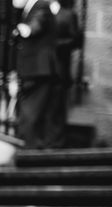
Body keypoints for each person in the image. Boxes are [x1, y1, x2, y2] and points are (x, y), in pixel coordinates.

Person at [12, 0, 60, 148]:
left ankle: (28, 150)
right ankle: (30, 147)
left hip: (38, 69)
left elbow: (37, 24)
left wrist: (25, 29)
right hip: (34, 69)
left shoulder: (41, 4)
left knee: (30, 112)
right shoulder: (32, 6)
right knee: (31, 112)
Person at [47, 0, 83, 147]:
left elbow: (76, 40)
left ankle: (55, 142)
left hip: (59, 67)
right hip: (42, 67)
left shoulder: (69, 14)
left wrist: (56, 45)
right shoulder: (42, 10)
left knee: (57, 106)